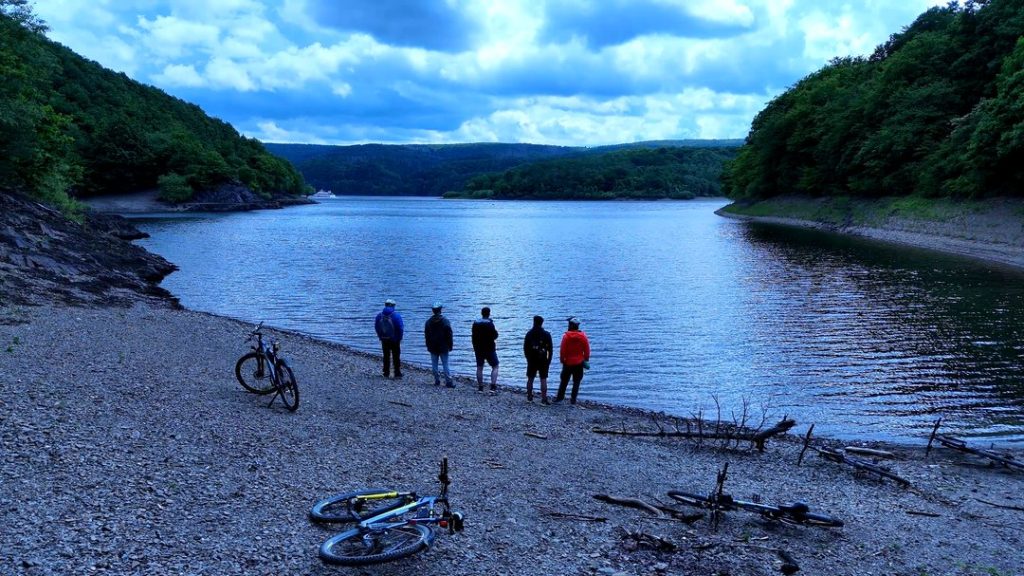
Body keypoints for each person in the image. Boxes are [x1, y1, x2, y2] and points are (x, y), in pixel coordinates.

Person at [554, 316, 590, 405]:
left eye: (569, 324)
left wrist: (562, 360)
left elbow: (562, 350)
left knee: (564, 381)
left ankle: (560, 398)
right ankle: (573, 400)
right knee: (576, 382)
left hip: (568, 363)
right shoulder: (583, 336)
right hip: (579, 363)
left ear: (571, 325)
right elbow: (587, 350)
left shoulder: (566, 337)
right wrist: (586, 359)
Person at [523, 315, 553, 404]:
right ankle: (544, 399)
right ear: (542, 323)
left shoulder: (529, 334)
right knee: (543, 379)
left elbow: (525, 348)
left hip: (532, 359)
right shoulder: (547, 334)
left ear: (534, 322)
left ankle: (529, 397)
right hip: (543, 359)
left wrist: (527, 358)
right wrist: (549, 361)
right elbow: (550, 350)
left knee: (530, 378)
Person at [424, 301, 454, 387]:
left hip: (433, 346)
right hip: (443, 346)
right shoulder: (445, 321)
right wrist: (450, 345)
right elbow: (449, 334)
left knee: (434, 364)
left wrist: (428, 345)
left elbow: (426, 335)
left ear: (433, 311)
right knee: (445, 364)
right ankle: (448, 382)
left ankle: (437, 380)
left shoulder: (428, 322)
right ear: (440, 310)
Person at [374, 298, 404, 379]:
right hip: (395, 340)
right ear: (393, 306)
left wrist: (380, 336)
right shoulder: (396, 316)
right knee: (396, 356)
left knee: (386, 355)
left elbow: (376, 327)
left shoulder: (379, 316)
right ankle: (397, 372)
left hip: (384, 339)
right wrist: (400, 338)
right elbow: (400, 328)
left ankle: (386, 372)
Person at [471, 306, 499, 392]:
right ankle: (493, 386)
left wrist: (474, 347)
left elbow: (473, 337)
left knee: (479, 367)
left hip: (478, 348)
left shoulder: (475, 324)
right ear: (489, 313)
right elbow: (495, 336)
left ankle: (480, 387)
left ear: (481, 313)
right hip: (489, 348)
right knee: (495, 366)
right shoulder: (490, 324)